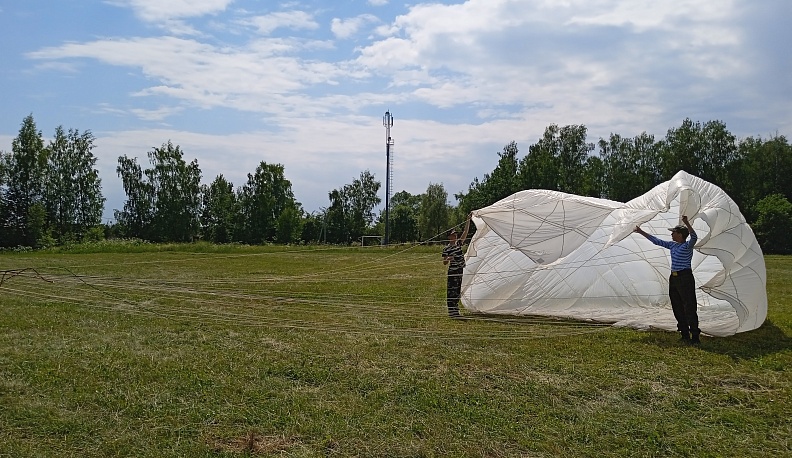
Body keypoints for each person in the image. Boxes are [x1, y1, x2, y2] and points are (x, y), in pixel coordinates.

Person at [633, 216, 700, 344]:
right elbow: (657, 241)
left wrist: (686, 223)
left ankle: (695, 336)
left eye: (673, 232)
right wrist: (641, 232)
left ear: (680, 234)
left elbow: (694, 237)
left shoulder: (687, 246)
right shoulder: (673, 245)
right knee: (677, 305)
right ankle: (684, 334)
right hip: (674, 278)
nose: (671, 234)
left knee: (689, 305)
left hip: (685, 277)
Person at [442, 214, 472, 318]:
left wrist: (468, 220)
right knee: (452, 290)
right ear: (449, 237)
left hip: (460, 270)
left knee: (457, 290)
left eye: (455, 235)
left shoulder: (459, 244)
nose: (455, 236)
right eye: (453, 235)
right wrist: (448, 259)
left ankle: (456, 310)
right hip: (453, 271)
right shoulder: (446, 249)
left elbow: (465, 232)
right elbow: (444, 262)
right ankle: (452, 311)